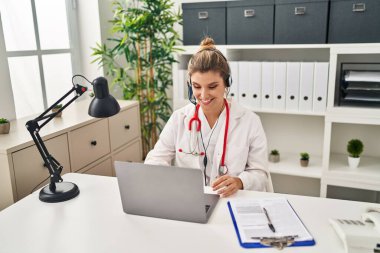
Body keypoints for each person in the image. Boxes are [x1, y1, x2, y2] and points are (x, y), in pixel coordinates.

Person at [145, 37, 273, 197]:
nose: (203, 95)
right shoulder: (179, 119)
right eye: (196, 87)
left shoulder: (249, 121)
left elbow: (260, 174)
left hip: (231, 200)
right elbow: (155, 159)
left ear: (227, 83)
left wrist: (240, 182)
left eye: (212, 86)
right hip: (190, 200)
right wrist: (160, 172)